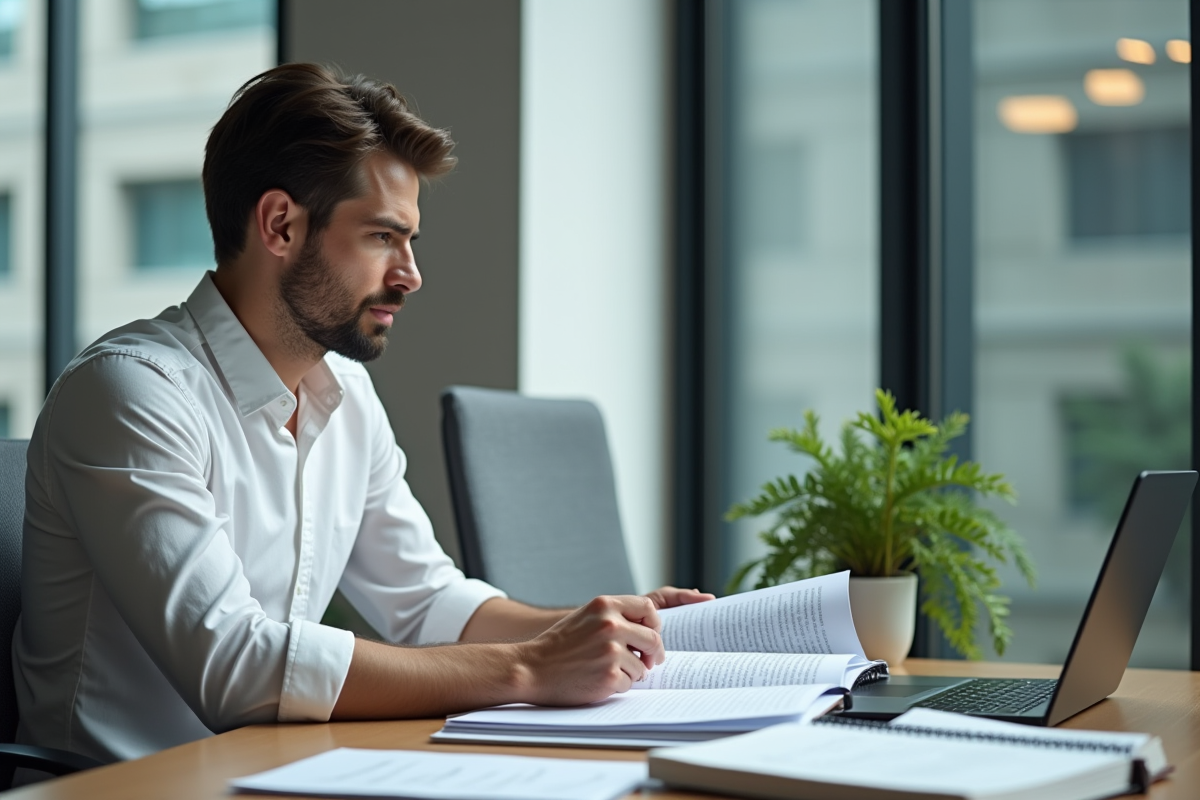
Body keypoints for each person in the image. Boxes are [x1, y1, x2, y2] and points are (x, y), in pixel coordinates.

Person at [13, 62, 713, 766]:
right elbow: (236, 668)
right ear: (280, 225)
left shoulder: (344, 394)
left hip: (270, 775)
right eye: (383, 237)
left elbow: (425, 602)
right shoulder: (132, 394)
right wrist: (530, 670)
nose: (410, 274)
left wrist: (608, 625)